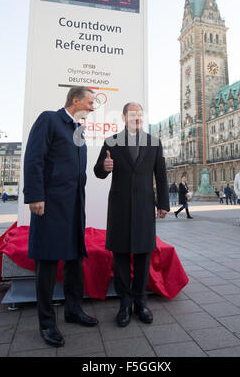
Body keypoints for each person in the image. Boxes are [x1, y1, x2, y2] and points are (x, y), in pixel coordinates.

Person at [23, 86, 98, 347]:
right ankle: (46, 323)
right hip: (50, 204)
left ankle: (73, 310)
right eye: (90, 102)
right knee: (46, 263)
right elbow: (34, 158)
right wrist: (34, 195)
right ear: (75, 100)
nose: (93, 107)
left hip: (74, 206)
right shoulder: (49, 119)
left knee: (74, 258)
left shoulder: (79, 131)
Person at [94, 102, 169, 327]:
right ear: (124, 117)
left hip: (145, 208)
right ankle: (124, 305)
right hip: (120, 209)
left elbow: (161, 175)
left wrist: (163, 203)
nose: (137, 118)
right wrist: (104, 167)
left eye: (140, 114)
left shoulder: (154, 143)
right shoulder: (111, 142)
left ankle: (140, 303)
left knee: (144, 258)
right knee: (121, 259)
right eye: (132, 114)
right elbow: (98, 171)